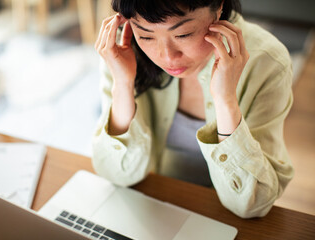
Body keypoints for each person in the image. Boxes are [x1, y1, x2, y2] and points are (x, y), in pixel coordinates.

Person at [92, 0, 294, 218]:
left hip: (225, 216)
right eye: (147, 36)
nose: (167, 57)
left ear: (218, 8)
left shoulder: (267, 61)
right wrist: (123, 85)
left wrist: (226, 101)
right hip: (152, 205)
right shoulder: (121, 51)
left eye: (183, 35)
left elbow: (252, 204)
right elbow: (115, 174)